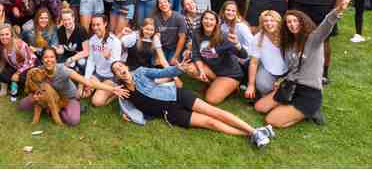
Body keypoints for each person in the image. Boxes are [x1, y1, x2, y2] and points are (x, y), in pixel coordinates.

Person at [111, 60, 275, 148]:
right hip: (171, 114)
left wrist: (178, 69)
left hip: (176, 96)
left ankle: (254, 131)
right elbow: (129, 108)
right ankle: (254, 134)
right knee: (211, 123)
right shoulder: (122, 91)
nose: (120, 69)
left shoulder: (140, 72)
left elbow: (161, 72)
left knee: (214, 112)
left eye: (120, 66)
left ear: (126, 66)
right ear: (117, 76)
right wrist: (129, 115)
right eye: (116, 70)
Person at [254, 0, 352, 127]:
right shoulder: (290, 44)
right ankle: (290, 106)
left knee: (271, 120)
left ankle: (309, 111)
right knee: (259, 107)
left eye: (295, 21)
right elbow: (293, 68)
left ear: (302, 21)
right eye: (289, 22)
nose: (292, 25)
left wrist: (338, 10)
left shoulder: (313, 39)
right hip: (291, 86)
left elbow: (326, 25)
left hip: (309, 91)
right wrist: (283, 80)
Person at [17, 48, 126, 126]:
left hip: (68, 97)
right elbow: (34, 86)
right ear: (42, 59)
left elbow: (88, 83)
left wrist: (112, 89)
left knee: (73, 120)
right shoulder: (40, 70)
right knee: (23, 105)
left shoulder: (63, 70)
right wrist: (36, 95)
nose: (48, 60)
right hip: (51, 96)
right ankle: (51, 107)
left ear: (56, 59)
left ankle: (71, 108)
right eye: (46, 57)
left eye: (52, 57)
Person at [184, 10, 248, 105]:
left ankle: (232, 87)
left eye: (211, 19)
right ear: (201, 20)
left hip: (230, 74)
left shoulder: (224, 37)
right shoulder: (197, 33)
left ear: (216, 23)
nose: (208, 22)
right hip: (212, 69)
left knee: (211, 99)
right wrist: (201, 71)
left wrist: (237, 44)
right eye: (205, 18)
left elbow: (243, 55)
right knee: (189, 68)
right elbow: (196, 54)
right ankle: (216, 84)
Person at [245, 10, 287, 99]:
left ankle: (278, 90)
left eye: (272, 20)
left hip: (287, 70)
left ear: (278, 22)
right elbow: (254, 63)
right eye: (266, 21)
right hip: (268, 69)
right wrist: (251, 85)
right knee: (263, 86)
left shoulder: (285, 35)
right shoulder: (258, 38)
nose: (269, 23)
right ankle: (270, 94)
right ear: (262, 23)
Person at [83, 15, 122, 107]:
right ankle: (98, 88)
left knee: (96, 102)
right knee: (83, 94)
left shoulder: (115, 41)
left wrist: (108, 57)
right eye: (93, 25)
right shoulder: (92, 40)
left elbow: (116, 67)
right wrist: (86, 79)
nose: (95, 28)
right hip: (98, 74)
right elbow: (91, 61)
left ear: (105, 24)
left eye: (98, 24)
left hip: (111, 77)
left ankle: (116, 93)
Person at [151, 0, 187, 65]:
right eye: (160, 3)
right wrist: (158, 53)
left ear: (170, 4)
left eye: (165, 2)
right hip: (161, 47)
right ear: (158, 6)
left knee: (173, 64)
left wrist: (175, 56)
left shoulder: (179, 17)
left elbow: (182, 38)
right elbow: (155, 37)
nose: (163, 4)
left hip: (174, 48)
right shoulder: (155, 18)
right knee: (157, 63)